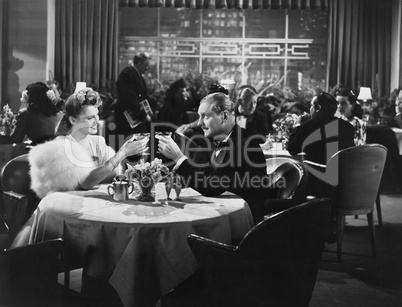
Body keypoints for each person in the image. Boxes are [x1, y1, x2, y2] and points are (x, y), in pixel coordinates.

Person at [156, 92, 280, 223]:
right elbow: (209, 176)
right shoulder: (226, 139)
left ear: (224, 116)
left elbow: (211, 187)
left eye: (205, 117)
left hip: (241, 225)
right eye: (199, 117)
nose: (199, 123)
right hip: (221, 212)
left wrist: (179, 158)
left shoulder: (244, 144)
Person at [28, 87, 148, 199]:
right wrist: (122, 153)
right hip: (64, 205)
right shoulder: (61, 147)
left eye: (97, 115)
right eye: (89, 118)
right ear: (73, 120)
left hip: (91, 202)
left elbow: (109, 177)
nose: (96, 121)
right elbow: (84, 183)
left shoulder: (98, 142)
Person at [288, 92, 355, 165]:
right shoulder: (348, 127)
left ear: (317, 108)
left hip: (315, 174)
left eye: (311, 106)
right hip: (341, 174)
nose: (310, 109)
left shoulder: (308, 126)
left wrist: (297, 124)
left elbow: (292, 149)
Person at [115, 52, 154, 135]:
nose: (149, 68)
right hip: (126, 120)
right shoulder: (127, 75)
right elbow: (130, 99)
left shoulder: (137, 75)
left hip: (135, 119)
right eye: (147, 65)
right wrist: (143, 115)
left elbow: (143, 96)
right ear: (140, 64)